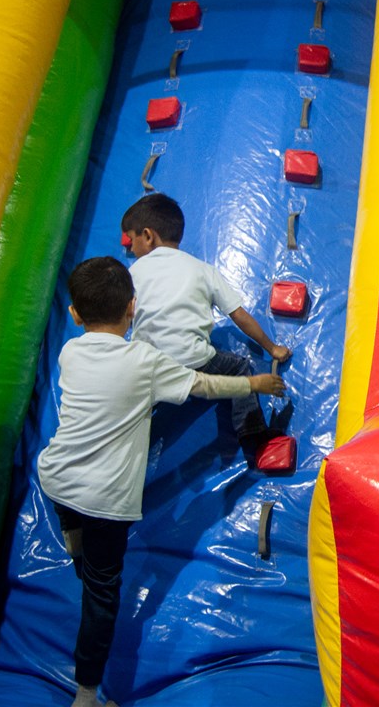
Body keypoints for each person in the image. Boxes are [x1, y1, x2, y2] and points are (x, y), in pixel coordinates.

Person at [38, 257, 285, 707]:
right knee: (100, 594)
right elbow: (206, 386)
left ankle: (75, 539)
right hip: (103, 501)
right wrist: (254, 383)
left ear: (73, 314)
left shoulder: (69, 352)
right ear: (132, 308)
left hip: (55, 476)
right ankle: (86, 695)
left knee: (69, 507)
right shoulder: (145, 362)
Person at [120, 193, 291, 450]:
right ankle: (252, 436)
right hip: (194, 360)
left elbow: (119, 316)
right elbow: (239, 315)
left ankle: (123, 439)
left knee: (135, 401)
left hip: (149, 365)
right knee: (239, 368)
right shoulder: (203, 270)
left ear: (147, 236)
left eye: (130, 240)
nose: (130, 249)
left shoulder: (132, 273)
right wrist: (272, 348)